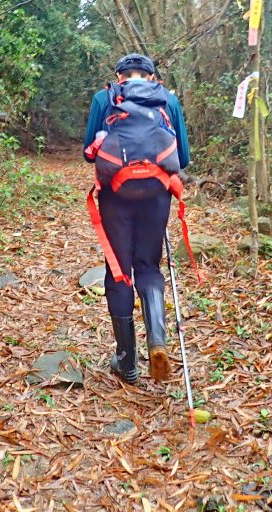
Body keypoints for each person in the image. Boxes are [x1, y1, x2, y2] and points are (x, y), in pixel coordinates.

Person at [83, 53, 190, 384]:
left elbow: (88, 150)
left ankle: (127, 363)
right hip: (157, 195)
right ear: (151, 76)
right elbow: (182, 156)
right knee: (148, 267)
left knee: (118, 272)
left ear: (119, 76)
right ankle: (157, 340)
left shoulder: (105, 97)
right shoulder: (168, 100)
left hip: (116, 196)